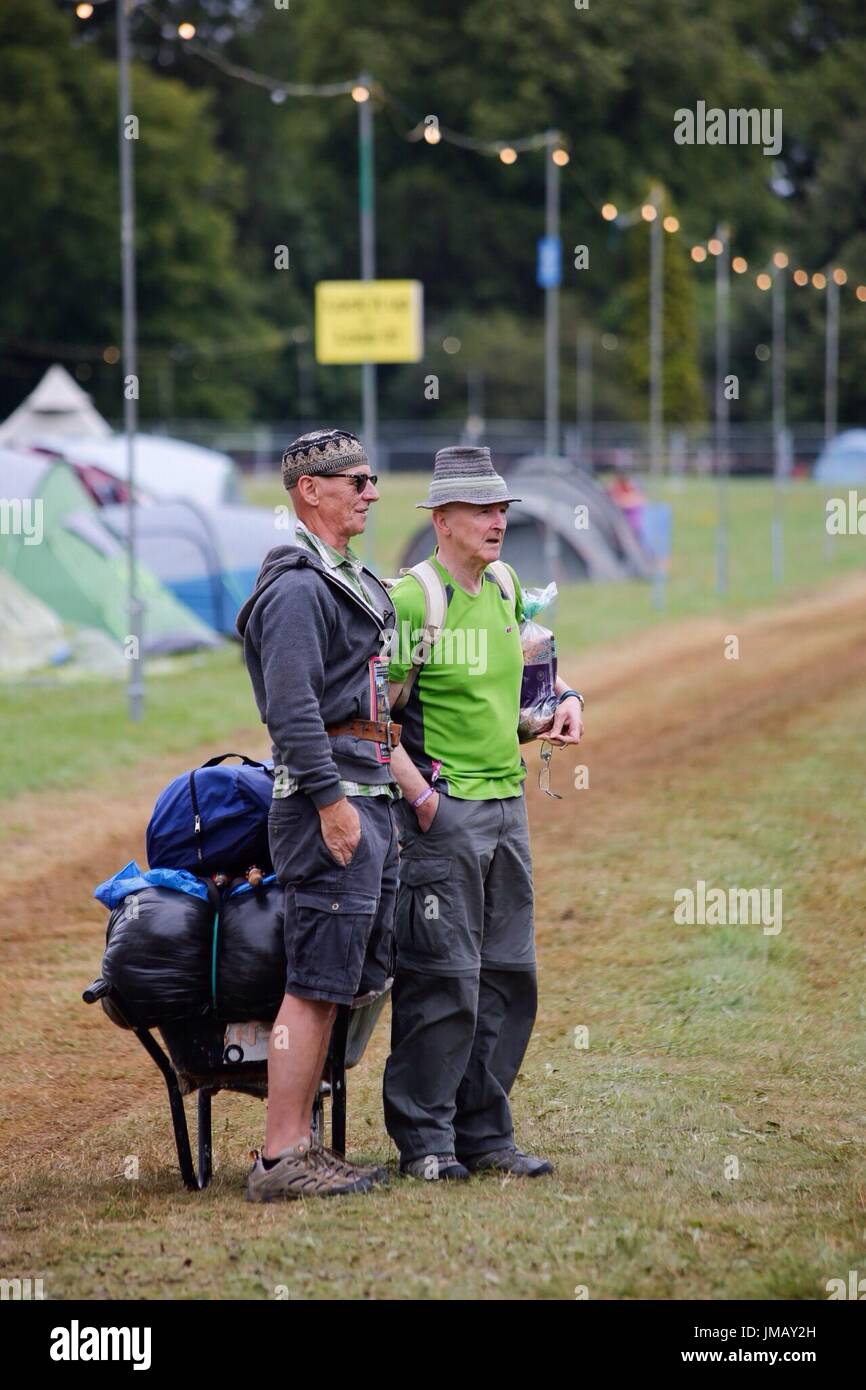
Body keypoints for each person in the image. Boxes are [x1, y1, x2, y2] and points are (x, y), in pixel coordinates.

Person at [383, 445, 584, 1181]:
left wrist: (559, 708)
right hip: (445, 816)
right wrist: (424, 799)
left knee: (507, 974)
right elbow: (372, 717)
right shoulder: (414, 599)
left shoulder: (504, 586)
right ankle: (426, 1143)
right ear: (442, 520)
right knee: (443, 976)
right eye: (482, 510)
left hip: (507, 806)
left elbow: (519, 699)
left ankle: (486, 1135)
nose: (499, 521)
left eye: (502, 508)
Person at [236, 428, 400, 1201]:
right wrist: (333, 806)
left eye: (372, 481)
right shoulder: (299, 586)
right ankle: (278, 1157)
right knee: (310, 981)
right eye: (357, 481)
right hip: (324, 804)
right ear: (311, 489)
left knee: (334, 979)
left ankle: (300, 1141)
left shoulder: (343, 576)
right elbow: (293, 711)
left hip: (364, 794)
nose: (372, 492)